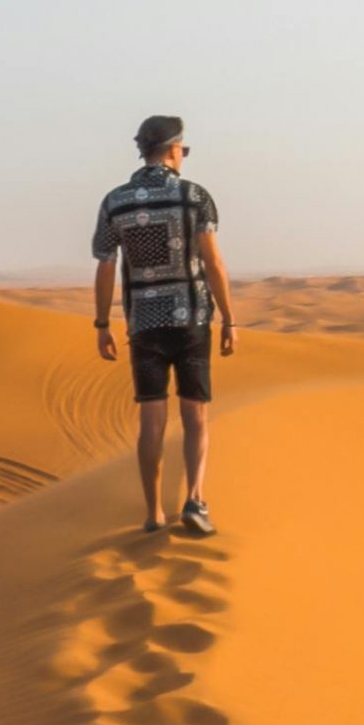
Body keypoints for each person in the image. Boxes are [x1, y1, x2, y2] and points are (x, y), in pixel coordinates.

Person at [92, 114, 236, 535]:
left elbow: (104, 266)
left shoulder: (115, 202)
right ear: (173, 149)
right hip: (191, 319)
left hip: (144, 326)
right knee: (196, 415)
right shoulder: (194, 197)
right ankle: (195, 499)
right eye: (183, 149)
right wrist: (229, 317)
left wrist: (102, 324)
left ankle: (153, 512)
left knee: (151, 420)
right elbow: (213, 262)